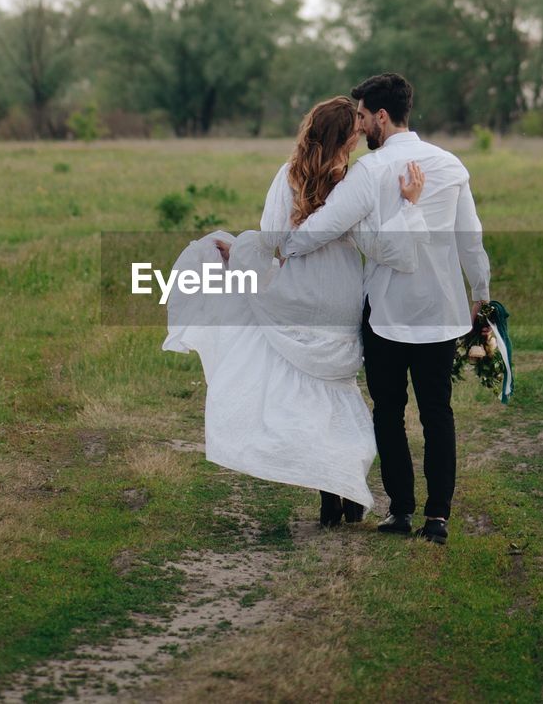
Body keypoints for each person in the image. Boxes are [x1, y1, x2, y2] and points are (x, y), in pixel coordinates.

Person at [162, 96, 427, 526]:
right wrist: (408, 210)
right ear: (344, 139)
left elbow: (272, 237)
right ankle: (343, 485)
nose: (358, 144)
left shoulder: (287, 177)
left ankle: (331, 492)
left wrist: (250, 262)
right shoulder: (352, 183)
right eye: (354, 137)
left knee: (307, 393)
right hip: (338, 296)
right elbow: (375, 244)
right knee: (337, 390)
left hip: (298, 293)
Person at [282, 73, 491, 545]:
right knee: (439, 413)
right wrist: (481, 293)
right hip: (442, 313)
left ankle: (400, 510)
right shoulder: (450, 165)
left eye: (360, 116)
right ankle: (437, 517)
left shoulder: (369, 174)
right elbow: (470, 240)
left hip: (388, 318)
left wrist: (280, 249)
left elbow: (325, 226)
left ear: (380, 116)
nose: (357, 127)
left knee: (389, 413)